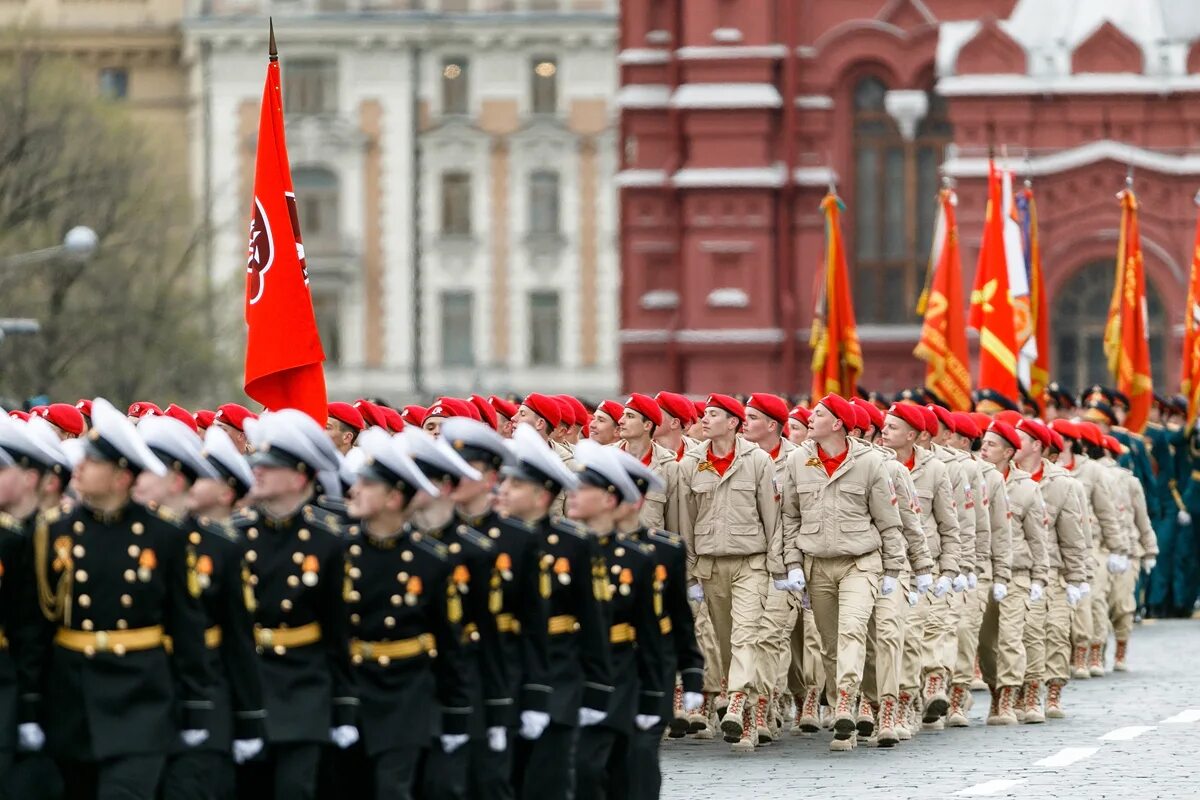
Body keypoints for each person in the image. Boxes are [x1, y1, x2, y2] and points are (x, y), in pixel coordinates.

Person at [16, 398, 213, 800]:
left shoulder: (165, 537)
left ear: (122, 476)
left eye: (93, 461)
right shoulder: (53, 533)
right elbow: (35, 627)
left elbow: (186, 624)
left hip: (141, 698)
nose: (79, 467)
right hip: (73, 698)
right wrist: (31, 704)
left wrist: (195, 703)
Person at [134, 415, 266, 800]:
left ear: (176, 480)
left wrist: (247, 718)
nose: (137, 480)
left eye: (148, 470)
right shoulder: (134, 538)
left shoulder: (220, 545)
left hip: (208, 695)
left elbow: (239, 638)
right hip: (143, 697)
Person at [343, 428, 471, 800]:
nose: (354, 490)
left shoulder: (430, 562)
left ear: (395, 497)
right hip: (352, 689)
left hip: (407, 697)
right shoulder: (340, 552)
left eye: (367, 484)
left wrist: (456, 713)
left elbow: (450, 645)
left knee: (394, 790)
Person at [236, 410, 356, 800]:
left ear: (301, 476)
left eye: (271, 466)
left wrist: (344, 707)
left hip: (303, 689)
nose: (258, 472)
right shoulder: (236, 537)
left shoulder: (328, 542)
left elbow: (340, 632)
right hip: (247, 684)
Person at [780, 393, 905, 751]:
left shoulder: (869, 463)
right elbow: (790, 517)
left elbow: (889, 520)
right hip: (817, 564)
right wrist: (792, 564)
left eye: (817, 414)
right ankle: (846, 707)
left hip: (860, 563)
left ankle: (848, 701)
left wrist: (893, 570)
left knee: (852, 631)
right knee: (830, 644)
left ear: (837, 423)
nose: (810, 419)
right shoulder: (797, 461)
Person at [498, 424, 612, 800]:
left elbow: (593, 620)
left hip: (560, 673)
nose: (503, 491)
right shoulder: (491, 543)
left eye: (514, 485)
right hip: (504, 673)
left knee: (549, 782)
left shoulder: (574, 545)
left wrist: (596, 689)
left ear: (541, 495)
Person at [442, 417, 552, 800]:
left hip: (505, 667)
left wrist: (536, 693)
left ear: (491, 477)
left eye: (469, 468)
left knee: (497, 780)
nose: (455, 476)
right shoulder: (434, 538)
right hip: (446, 672)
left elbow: (534, 622)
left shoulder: (517, 540)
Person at [401, 428, 510, 800]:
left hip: (468, 681)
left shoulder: (478, 551)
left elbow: (488, 632)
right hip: (409, 685)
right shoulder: (406, 547)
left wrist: (495, 709)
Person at [677, 394, 783, 752]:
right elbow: (685, 523)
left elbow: (772, 518)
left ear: (734, 422)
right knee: (725, 642)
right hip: (710, 565)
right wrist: (691, 574)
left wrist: (777, 567)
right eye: (704, 414)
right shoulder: (691, 463)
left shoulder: (757, 461)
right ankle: (750, 720)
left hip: (750, 562)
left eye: (713, 414)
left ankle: (736, 699)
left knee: (746, 635)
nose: (704, 420)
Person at [568, 440, 667, 800]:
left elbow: (661, 632)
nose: (574, 495)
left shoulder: (650, 555)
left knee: (631, 765)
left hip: (628, 672)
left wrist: (660, 692)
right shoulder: (564, 550)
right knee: (584, 769)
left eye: (585, 489)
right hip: (572, 672)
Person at [612, 448, 703, 798]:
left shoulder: (663, 551)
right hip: (597, 671)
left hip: (648, 669)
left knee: (641, 758)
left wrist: (691, 673)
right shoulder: (581, 546)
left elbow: (678, 618)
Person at [1013, 418, 1087, 721]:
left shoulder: (1062, 484)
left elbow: (1072, 534)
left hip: (1054, 571)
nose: (1013, 445)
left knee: (1055, 631)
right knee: (1021, 634)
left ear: (1037, 446)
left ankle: (1050, 692)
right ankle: (1022, 689)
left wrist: (1077, 578)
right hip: (1018, 570)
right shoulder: (1004, 479)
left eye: (1020, 439)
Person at [977, 419, 1049, 724]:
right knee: (983, 640)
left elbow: (1038, 538)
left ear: (1008, 452)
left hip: (1017, 574)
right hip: (983, 572)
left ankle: (1007, 698)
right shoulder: (973, 479)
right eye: (984, 443)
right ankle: (996, 688)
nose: (984, 449)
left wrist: (1040, 578)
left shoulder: (1027, 488)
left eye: (992, 445)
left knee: (1011, 637)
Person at [615, 394, 680, 534]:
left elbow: (674, 522)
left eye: (630, 416)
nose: (620, 421)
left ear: (647, 425)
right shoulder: (607, 458)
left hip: (651, 550)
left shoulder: (668, 466)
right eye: (623, 415)